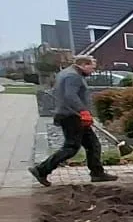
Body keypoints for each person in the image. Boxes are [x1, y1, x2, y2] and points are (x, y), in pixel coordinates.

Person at [30, 55, 116, 186]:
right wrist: (83, 111)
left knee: (93, 144)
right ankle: (41, 170)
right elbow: (70, 95)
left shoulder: (65, 73)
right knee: (71, 147)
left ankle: (97, 173)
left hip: (72, 114)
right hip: (72, 116)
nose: (93, 71)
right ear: (84, 65)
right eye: (92, 68)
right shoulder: (73, 76)